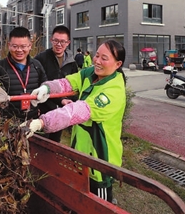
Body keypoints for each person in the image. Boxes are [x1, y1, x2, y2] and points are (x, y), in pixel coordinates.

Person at [21, 39, 126, 203]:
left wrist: (41, 122)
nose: (97, 61)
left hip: (100, 160)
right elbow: (68, 82)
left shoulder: (114, 91)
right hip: (80, 154)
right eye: (96, 55)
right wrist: (47, 88)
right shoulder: (91, 73)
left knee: (99, 206)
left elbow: (77, 112)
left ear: (118, 64)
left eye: (104, 58)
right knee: (80, 201)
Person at [0, 26, 47, 121]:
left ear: (30, 46)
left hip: (33, 121)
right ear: (9, 45)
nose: (19, 50)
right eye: (15, 46)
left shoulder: (37, 65)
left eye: (23, 46)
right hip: (6, 124)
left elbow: (45, 86)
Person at [34, 25, 78, 142]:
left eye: (62, 41)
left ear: (68, 42)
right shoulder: (40, 59)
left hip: (62, 109)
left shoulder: (71, 62)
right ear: (51, 40)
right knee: (41, 140)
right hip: (44, 106)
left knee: (55, 141)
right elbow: (37, 83)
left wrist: (72, 102)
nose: (59, 44)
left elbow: (75, 84)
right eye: (56, 41)